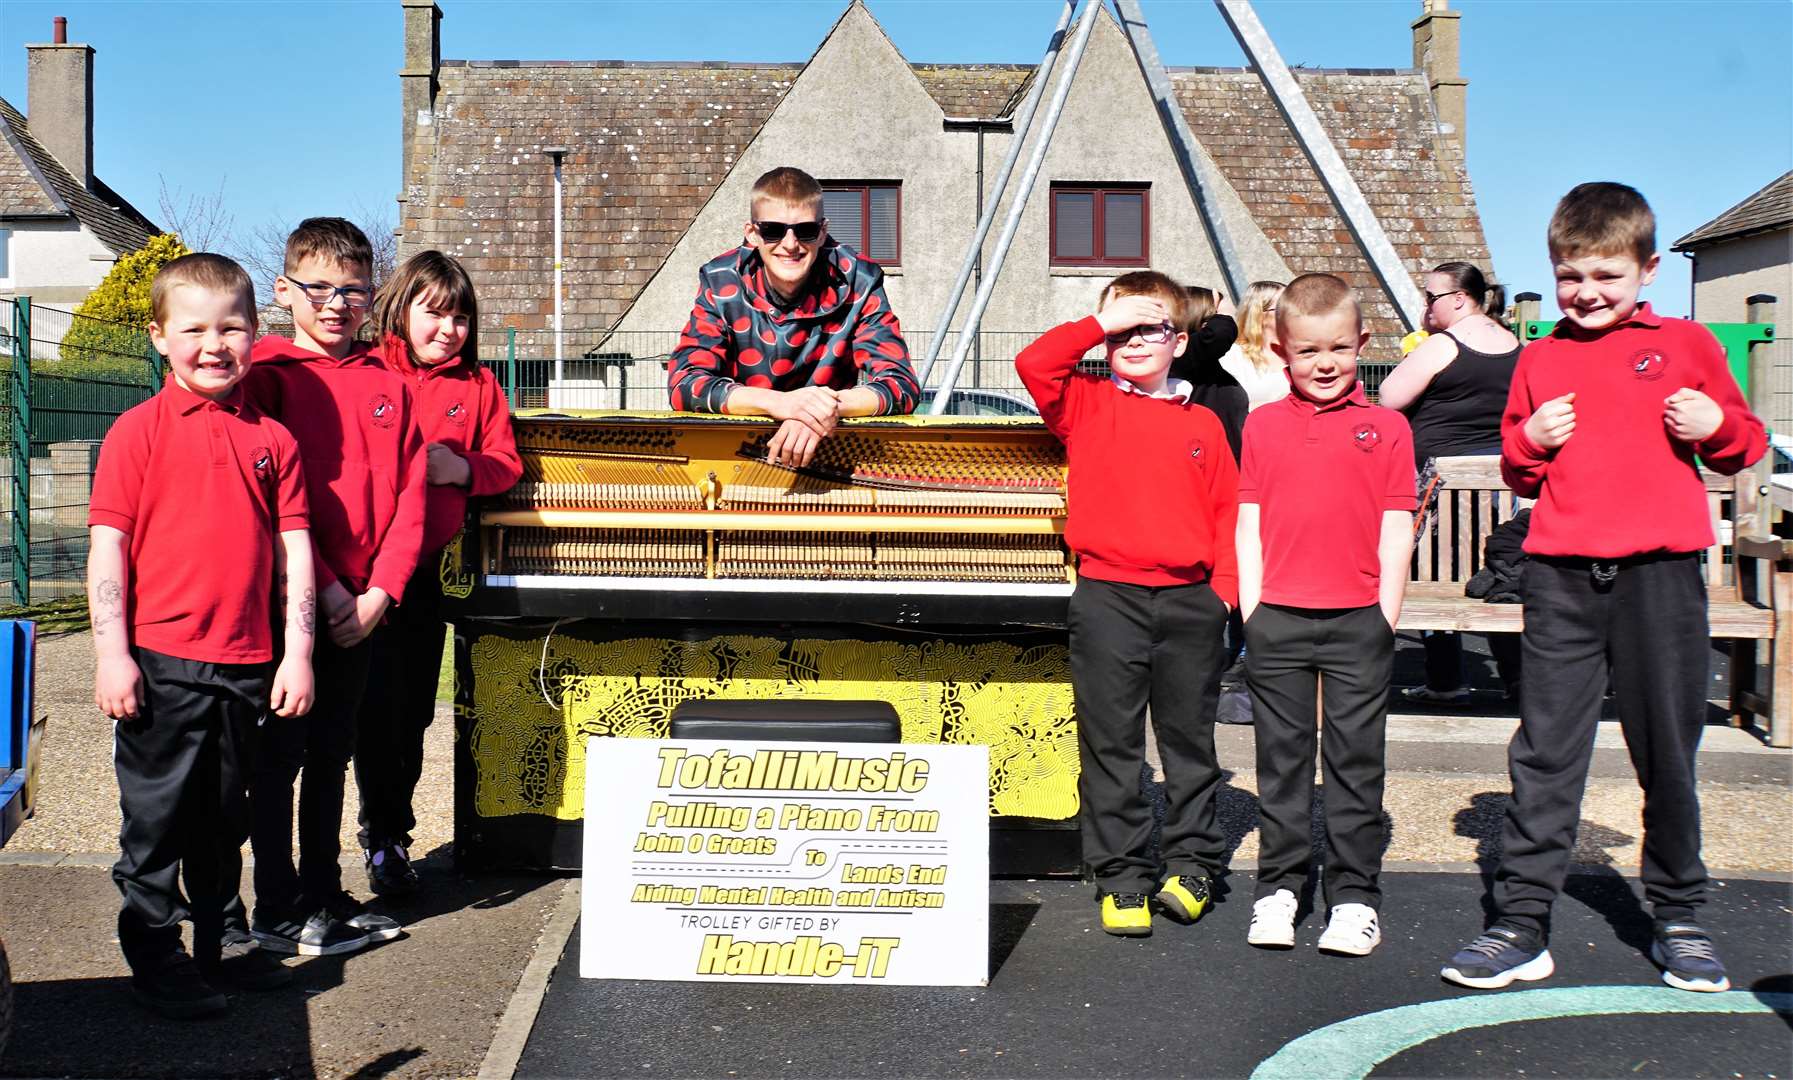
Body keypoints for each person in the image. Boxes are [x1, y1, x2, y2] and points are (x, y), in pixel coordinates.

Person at [1440, 183, 1766, 994]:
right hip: (1559, 578)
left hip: (1659, 578)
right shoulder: (1540, 357)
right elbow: (1518, 463)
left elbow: (1742, 444)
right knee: (1546, 754)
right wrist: (1528, 439)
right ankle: (1520, 923)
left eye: (1605, 277)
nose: (1585, 293)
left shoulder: (1687, 344)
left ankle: (1679, 918)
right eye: (1569, 276)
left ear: (1646, 271)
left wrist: (1713, 430)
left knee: (1665, 750)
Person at [89, 253, 314, 1016]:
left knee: (226, 817)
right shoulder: (135, 434)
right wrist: (113, 655)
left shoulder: (275, 443)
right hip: (159, 667)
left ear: (256, 333)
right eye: (193, 329)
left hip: (247, 666)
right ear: (158, 337)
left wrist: (299, 653)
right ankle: (157, 952)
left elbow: (296, 553)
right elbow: (109, 549)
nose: (214, 344)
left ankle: (225, 938)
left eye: (232, 327)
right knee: (156, 824)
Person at [1016, 271, 1239, 938]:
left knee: (1189, 744)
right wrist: (1102, 323)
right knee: (1111, 746)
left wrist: (1222, 597)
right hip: (1107, 596)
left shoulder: (1203, 420)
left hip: (1189, 602)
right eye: (1121, 329)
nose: (1133, 339)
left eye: (1150, 327)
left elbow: (1226, 513)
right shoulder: (1083, 402)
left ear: (1177, 341)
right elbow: (1034, 361)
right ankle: (1121, 875)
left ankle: (1193, 862)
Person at [243, 217, 426, 957]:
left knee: (331, 755)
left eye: (351, 289)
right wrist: (323, 588)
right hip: (292, 606)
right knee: (279, 759)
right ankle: (275, 903)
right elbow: (269, 503)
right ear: (285, 290)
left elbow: (412, 492)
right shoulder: (263, 377)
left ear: (371, 294)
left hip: (363, 606)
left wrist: (381, 590)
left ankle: (323, 893)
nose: (335, 304)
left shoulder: (391, 382)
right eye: (318, 288)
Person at [1236, 273, 1415, 956]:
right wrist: (1254, 611)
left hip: (1357, 620)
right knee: (1279, 763)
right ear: (1280, 350)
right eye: (1308, 351)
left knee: (1353, 763)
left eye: (1338, 348)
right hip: (1277, 617)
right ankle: (1278, 890)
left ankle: (1352, 898)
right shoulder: (1261, 426)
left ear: (1362, 343)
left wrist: (1384, 616)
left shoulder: (1387, 427)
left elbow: (1396, 527)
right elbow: (1248, 522)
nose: (1324, 363)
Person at [360, 251, 522, 895]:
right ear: (401, 310)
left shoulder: (479, 386)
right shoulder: (365, 370)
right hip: (356, 573)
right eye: (433, 313)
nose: (447, 329)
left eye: (459, 317)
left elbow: (505, 464)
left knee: (409, 716)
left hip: (423, 576)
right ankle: (334, 849)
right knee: (352, 716)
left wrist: (463, 471)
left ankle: (389, 837)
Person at [666, 166, 919, 468]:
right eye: (773, 230)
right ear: (752, 233)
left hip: (832, 453)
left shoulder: (859, 281)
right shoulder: (721, 281)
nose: (790, 244)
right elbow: (685, 382)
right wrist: (781, 404)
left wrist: (822, 410)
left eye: (805, 231)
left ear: (822, 232)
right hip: (732, 456)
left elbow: (901, 384)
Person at [1378, 261, 1523, 705]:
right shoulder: (1518, 346)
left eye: (1430, 298)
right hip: (1500, 489)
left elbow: (1389, 397)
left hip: (1437, 485)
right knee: (1496, 574)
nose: (1426, 306)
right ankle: (1518, 681)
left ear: (1459, 298)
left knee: (1430, 569)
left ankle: (1445, 679)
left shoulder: (1443, 345)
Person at [1175, 286, 1247, 460]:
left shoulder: (1204, 365)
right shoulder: (1181, 356)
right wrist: (1225, 313)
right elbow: (1218, 335)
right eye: (1215, 317)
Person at [1218, 280, 1289, 411]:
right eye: (1283, 307)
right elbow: (1227, 408)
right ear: (1258, 314)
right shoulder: (1233, 356)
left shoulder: (1301, 352)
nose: (1293, 313)